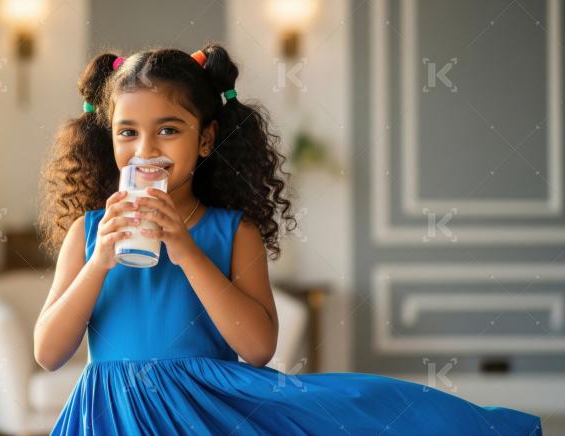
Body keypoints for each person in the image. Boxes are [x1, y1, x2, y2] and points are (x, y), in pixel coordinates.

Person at [34, 44, 543, 435]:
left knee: (374, 410)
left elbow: (256, 349)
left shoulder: (233, 232)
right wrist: (99, 261)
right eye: (128, 132)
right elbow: (49, 353)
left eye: (169, 129)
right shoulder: (89, 232)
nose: (146, 149)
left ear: (206, 139)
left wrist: (186, 252)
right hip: (107, 414)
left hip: (208, 413)